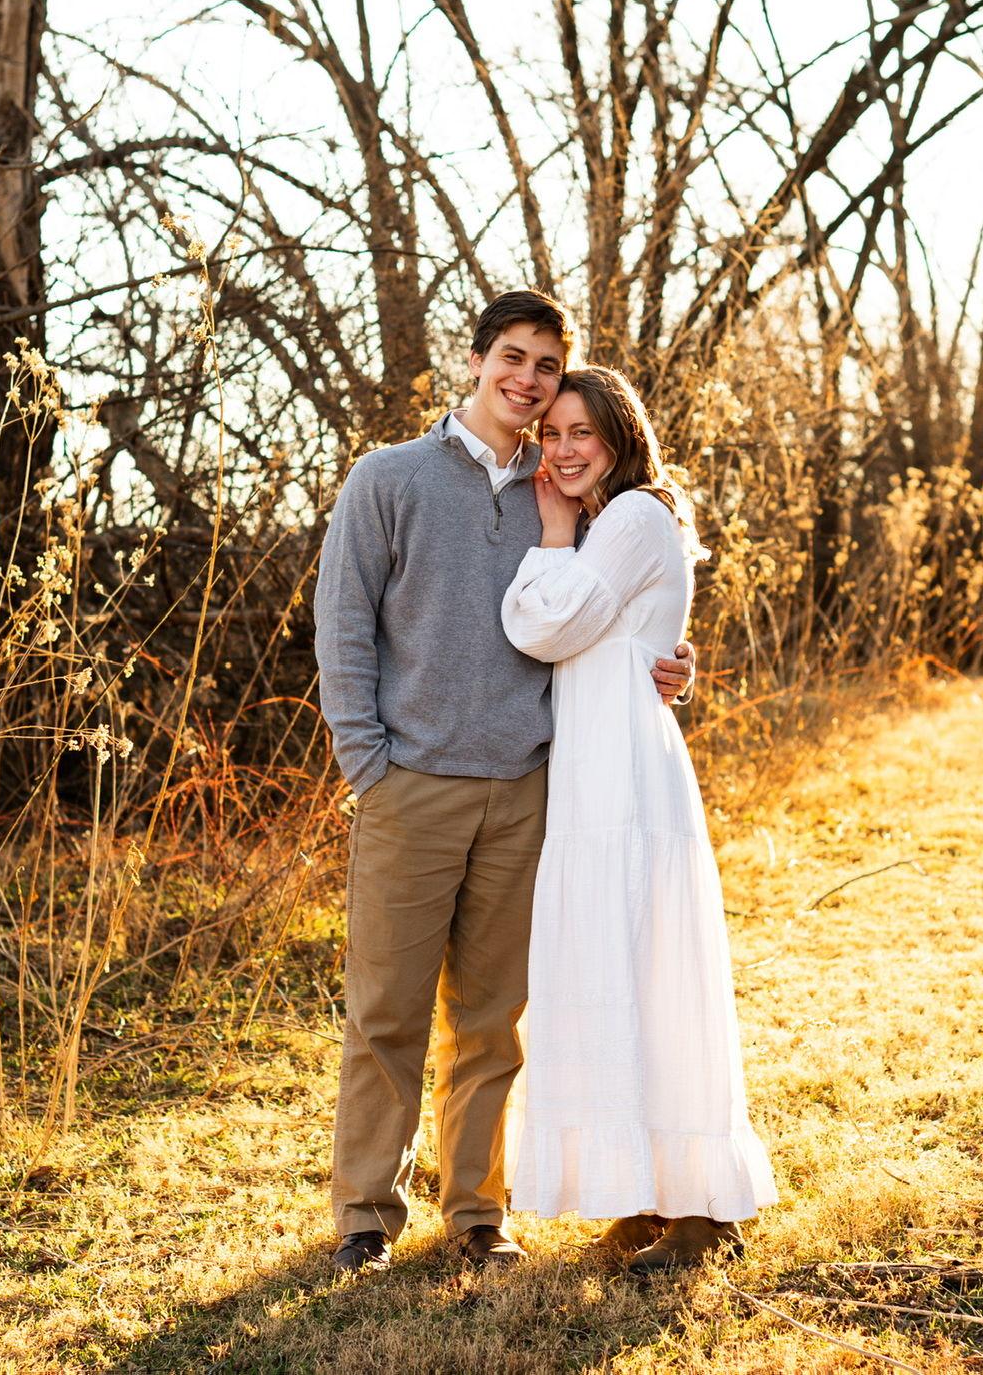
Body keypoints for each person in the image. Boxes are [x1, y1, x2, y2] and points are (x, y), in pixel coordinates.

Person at [313, 292, 695, 1274]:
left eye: (546, 365)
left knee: (491, 1022)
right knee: (388, 1012)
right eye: (512, 357)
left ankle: (477, 1214)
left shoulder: (562, 483)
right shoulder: (388, 477)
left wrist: (670, 660)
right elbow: (342, 626)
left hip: (529, 788)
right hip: (410, 784)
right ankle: (365, 1214)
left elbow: (626, 599)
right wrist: (368, 766)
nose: (527, 380)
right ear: (477, 359)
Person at [502, 365, 777, 1272]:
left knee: (653, 975)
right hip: (594, 777)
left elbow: (543, 627)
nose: (562, 449)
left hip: (625, 780)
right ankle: (646, 1192)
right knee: (612, 970)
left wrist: (550, 535)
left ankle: (703, 1212)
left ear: (621, 435)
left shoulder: (629, 517)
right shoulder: (608, 525)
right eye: (551, 434)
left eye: (581, 431)